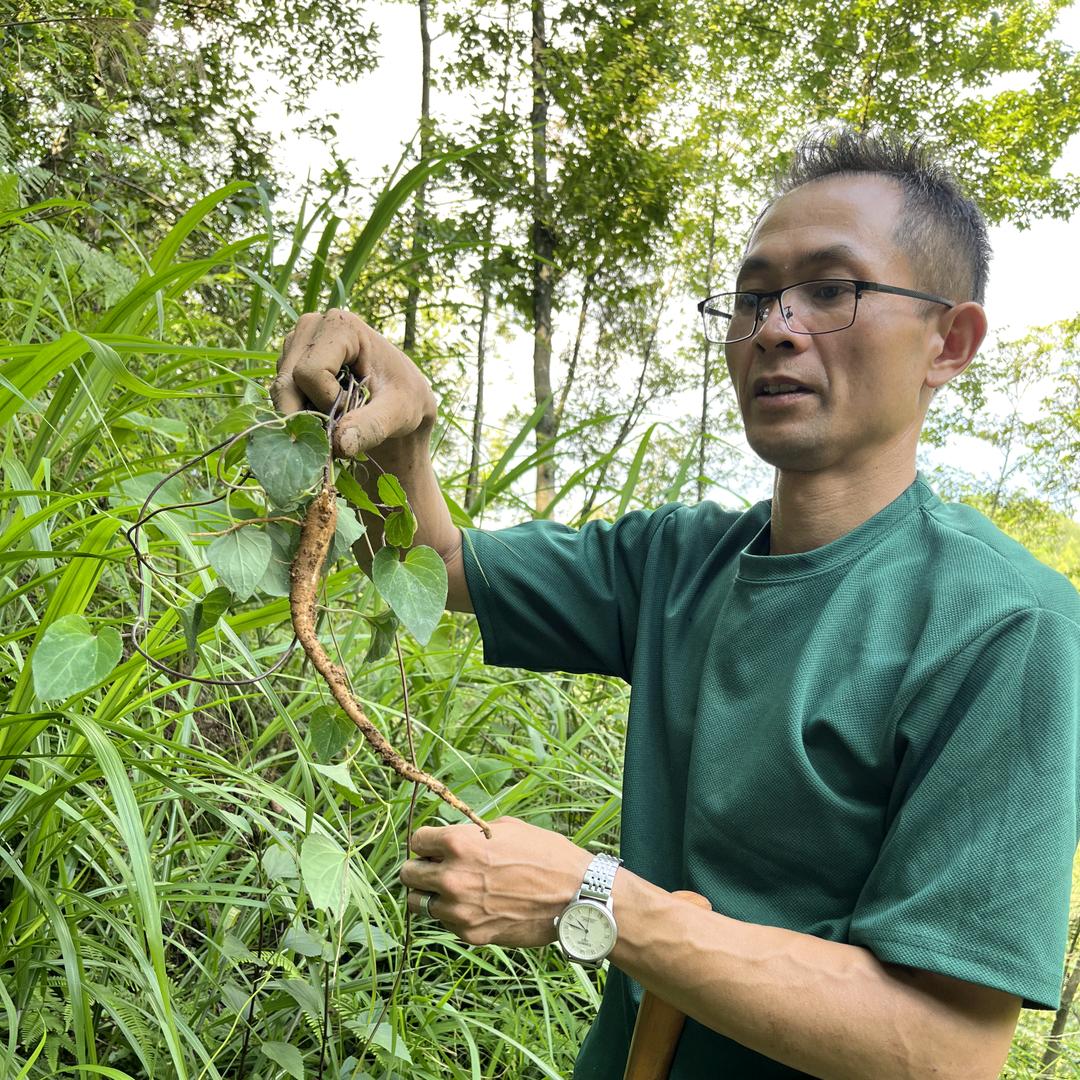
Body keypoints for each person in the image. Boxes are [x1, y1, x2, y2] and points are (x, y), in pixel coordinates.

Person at [270, 129, 1080, 1079]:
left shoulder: (1005, 625)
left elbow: (945, 1052)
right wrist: (400, 426)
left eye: (832, 289)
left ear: (950, 342)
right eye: (752, 296)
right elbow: (439, 567)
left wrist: (598, 901)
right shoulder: (679, 560)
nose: (776, 325)